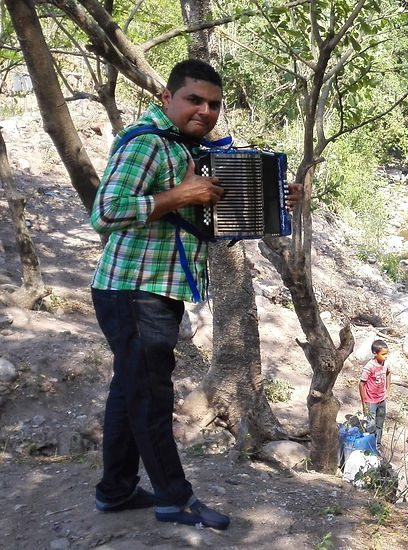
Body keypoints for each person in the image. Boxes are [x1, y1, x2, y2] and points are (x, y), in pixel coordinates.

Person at [90, 59, 300, 530]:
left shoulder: (192, 151)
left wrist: (277, 199)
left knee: (128, 392)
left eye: (213, 104)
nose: (205, 111)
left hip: (152, 290)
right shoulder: (147, 144)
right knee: (149, 396)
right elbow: (104, 212)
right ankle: (175, 500)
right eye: (194, 100)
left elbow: (221, 216)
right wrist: (179, 197)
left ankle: (116, 491)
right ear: (166, 98)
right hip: (132, 289)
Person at [359, 339, 391, 441]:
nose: (385, 357)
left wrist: (387, 390)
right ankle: (368, 445)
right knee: (371, 424)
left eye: (386, 354)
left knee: (380, 423)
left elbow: (388, 373)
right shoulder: (369, 367)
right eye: (383, 354)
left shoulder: (385, 364)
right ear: (375, 353)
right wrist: (364, 403)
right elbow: (361, 384)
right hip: (371, 400)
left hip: (381, 399)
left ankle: (377, 444)